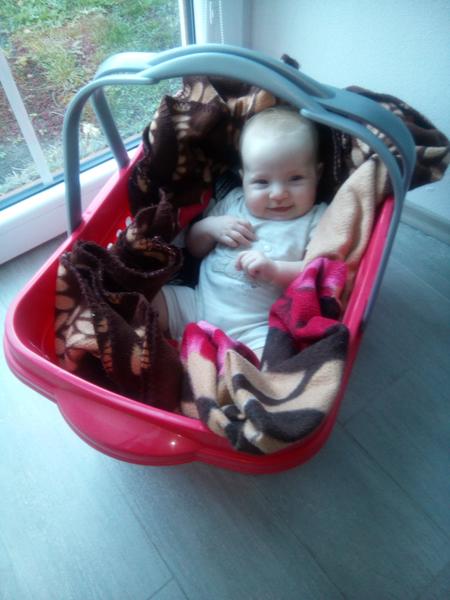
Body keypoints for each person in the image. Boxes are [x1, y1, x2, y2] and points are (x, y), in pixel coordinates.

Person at [153, 106, 326, 356]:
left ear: (317, 174)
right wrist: (210, 227)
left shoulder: (316, 219)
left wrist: (275, 271)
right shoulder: (234, 202)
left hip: (255, 327)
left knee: (273, 362)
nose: (278, 194)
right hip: (196, 304)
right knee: (145, 301)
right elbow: (194, 248)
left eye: (295, 178)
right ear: (244, 179)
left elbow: (317, 271)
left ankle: (211, 365)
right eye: (262, 182)